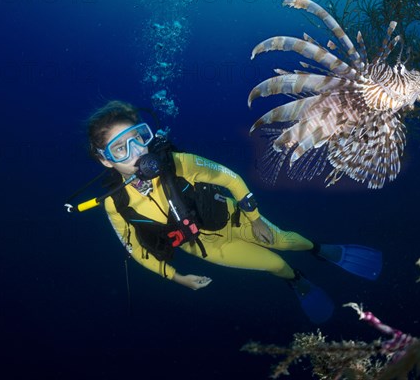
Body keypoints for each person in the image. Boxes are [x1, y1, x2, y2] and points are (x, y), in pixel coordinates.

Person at [83, 100, 382, 323]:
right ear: (105, 160)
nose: (137, 152)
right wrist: (177, 277)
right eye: (121, 149)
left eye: (139, 137)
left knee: (285, 240)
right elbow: (135, 250)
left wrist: (254, 218)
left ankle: (318, 248)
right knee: (274, 263)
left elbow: (228, 178)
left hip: (234, 219)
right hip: (206, 247)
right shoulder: (115, 204)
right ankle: (296, 280)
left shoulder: (178, 162)